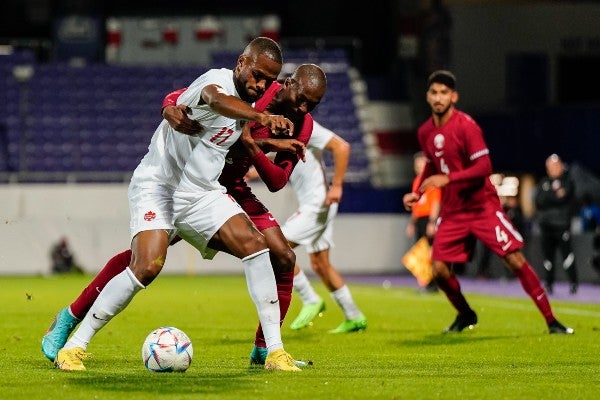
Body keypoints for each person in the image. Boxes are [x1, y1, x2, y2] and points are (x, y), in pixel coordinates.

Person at [43, 61, 328, 371]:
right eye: (300, 99)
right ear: (287, 84)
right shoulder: (250, 89)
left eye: (311, 105)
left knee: (282, 256)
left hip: (225, 187)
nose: (302, 109)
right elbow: (191, 96)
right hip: (190, 182)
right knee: (143, 262)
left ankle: (266, 351)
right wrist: (169, 108)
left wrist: (256, 147)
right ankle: (69, 318)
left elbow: (275, 181)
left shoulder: (302, 124)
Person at [402, 70, 574, 334]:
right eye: (434, 92)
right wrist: (419, 192)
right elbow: (430, 163)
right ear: (427, 96)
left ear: (454, 96)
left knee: (514, 260)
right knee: (438, 270)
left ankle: (552, 321)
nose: (439, 98)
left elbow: (485, 167)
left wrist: (448, 179)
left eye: (444, 93)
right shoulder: (425, 131)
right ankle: (466, 314)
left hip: (482, 206)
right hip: (453, 210)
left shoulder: (467, 126)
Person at [275, 121, 368, 333]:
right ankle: (355, 317)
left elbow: (341, 146)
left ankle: (310, 299)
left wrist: (337, 186)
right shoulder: (282, 126)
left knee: (274, 248)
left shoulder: (305, 124)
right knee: (320, 264)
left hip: (318, 204)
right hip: (318, 204)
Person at [534, 154, 579, 295]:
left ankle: (573, 283)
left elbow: (563, 197)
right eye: (550, 166)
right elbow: (539, 200)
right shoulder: (543, 182)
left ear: (561, 166)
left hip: (562, 224)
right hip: (546, 226)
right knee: (548, 258)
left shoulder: (567, 181)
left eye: (556, 165)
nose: (553, 169)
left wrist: (550, 197)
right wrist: (554, 196)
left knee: (567, 256)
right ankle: (548, 284)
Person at [405, 151, 440, 292]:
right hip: (419, 219)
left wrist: (432, 222)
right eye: (417, 164)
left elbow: (436, 202)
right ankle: (426, 282)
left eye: (421, 164)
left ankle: (433, 283)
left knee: (430, 253)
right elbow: (416, 205)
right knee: (422, 253)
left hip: (428, 218)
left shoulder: (432, 180)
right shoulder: (416, 181)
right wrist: (412, 223)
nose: (418, 167)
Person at [580, 192, 600, 279]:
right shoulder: (583, 210)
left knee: (595, 259)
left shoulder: (595, 209)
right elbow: (583, 225)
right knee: (592, 259)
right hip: (586, 236)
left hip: (595, 236)